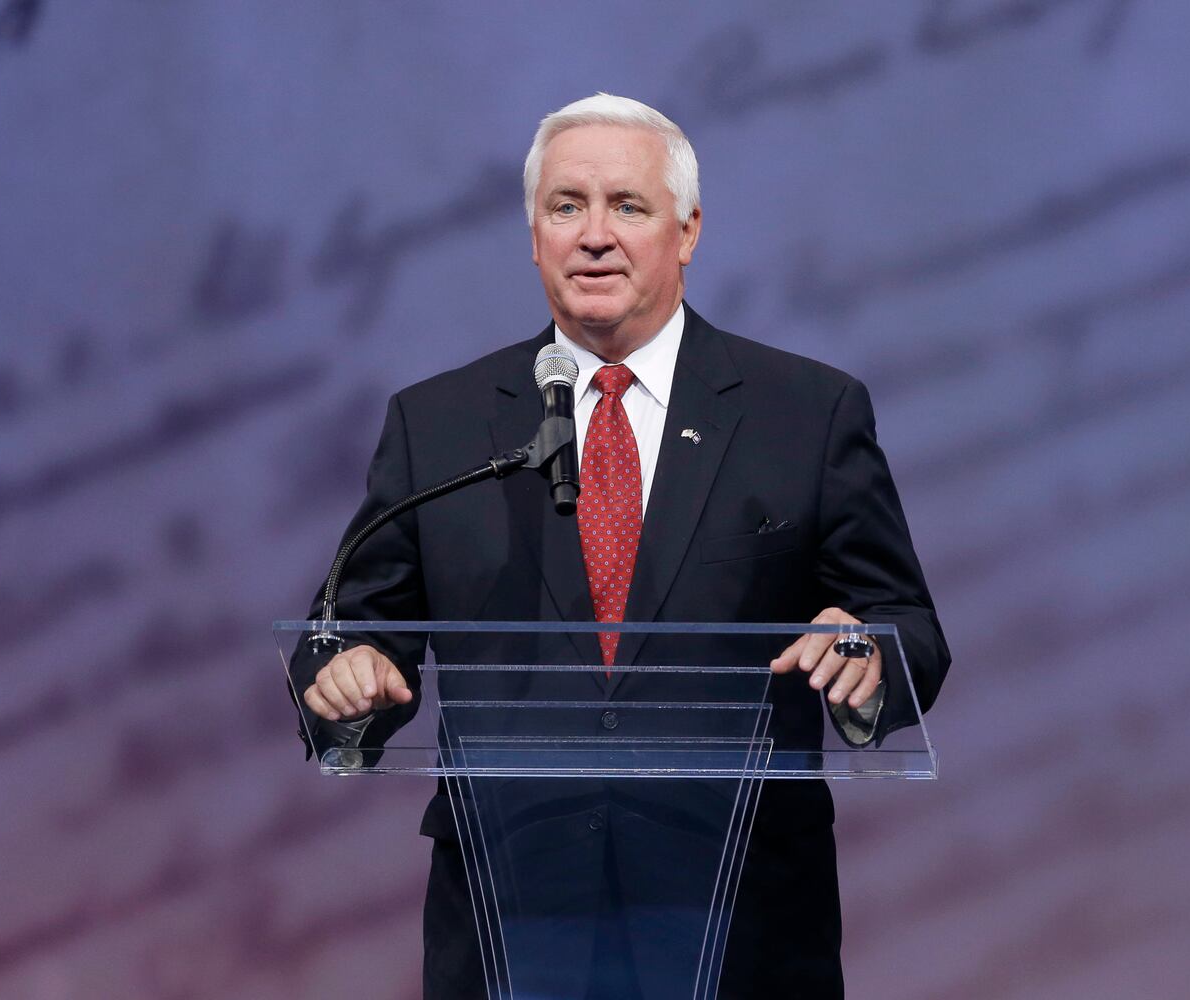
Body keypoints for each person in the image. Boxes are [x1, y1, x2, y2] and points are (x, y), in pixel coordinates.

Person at [289, 93, 951, 999]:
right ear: (534, 236)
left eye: (627, 206)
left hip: (742, 920)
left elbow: (904, 620)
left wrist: (866, 652)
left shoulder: (806, 413)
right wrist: (347, 679)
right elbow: (350, 631)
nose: (594, 235)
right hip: (513, 923)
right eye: (567, 206)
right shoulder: (437, 424)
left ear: (688, 231)